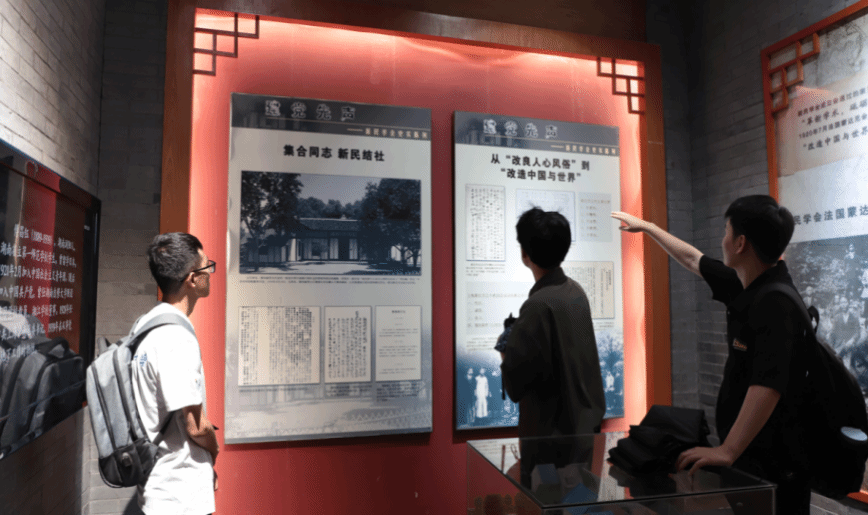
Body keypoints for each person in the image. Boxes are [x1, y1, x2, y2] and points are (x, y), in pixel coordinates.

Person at [612, 195, 810, 515]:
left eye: (726, 231)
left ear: (740, 243)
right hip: (752, 459)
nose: (723, 239)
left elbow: (768, 385)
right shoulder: (748, 283)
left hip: (776, 465)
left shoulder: (776, 303)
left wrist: (728, 450)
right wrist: (648, 227)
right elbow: (693, 259)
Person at [132, 232, 219, 515]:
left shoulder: (146, 324)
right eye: (208, 266)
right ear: (192, 278)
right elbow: (196, 425)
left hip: (158, 485)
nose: (210, 273)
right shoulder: (176, 338)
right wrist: (214, 450)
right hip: (179, 493)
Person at [500, 207, 606, 439]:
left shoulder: (537, 305)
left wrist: (505, 346)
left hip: (550, 440)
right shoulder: (576, 291)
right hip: (583, 430)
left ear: (525, 253)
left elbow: (516, 386)